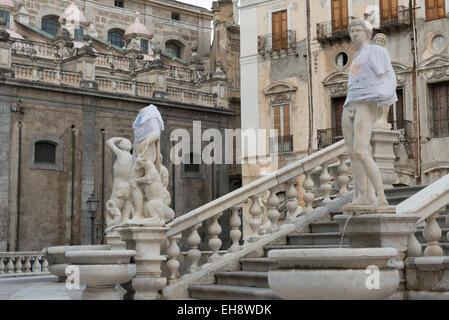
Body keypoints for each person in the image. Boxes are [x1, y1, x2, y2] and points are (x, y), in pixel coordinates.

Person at [342, 19, 397, 207]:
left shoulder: (376, 51)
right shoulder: (356, 56)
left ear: (367, 33)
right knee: (352, 153)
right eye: (352, 30)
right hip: (350, 103)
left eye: (358, 30)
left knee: (361, 150)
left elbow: (388, 76)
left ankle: (380, 195)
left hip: (366, 103)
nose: (354, 33)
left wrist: (384, 95)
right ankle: (363, 196)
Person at [105, 137, 133, 229]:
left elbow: (109, 142)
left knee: (112, 211)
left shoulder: (121, 154)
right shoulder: (133, 158)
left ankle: (113, 231)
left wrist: (119, 138)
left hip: (119, 187)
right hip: (129, 189)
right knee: (125, 218)